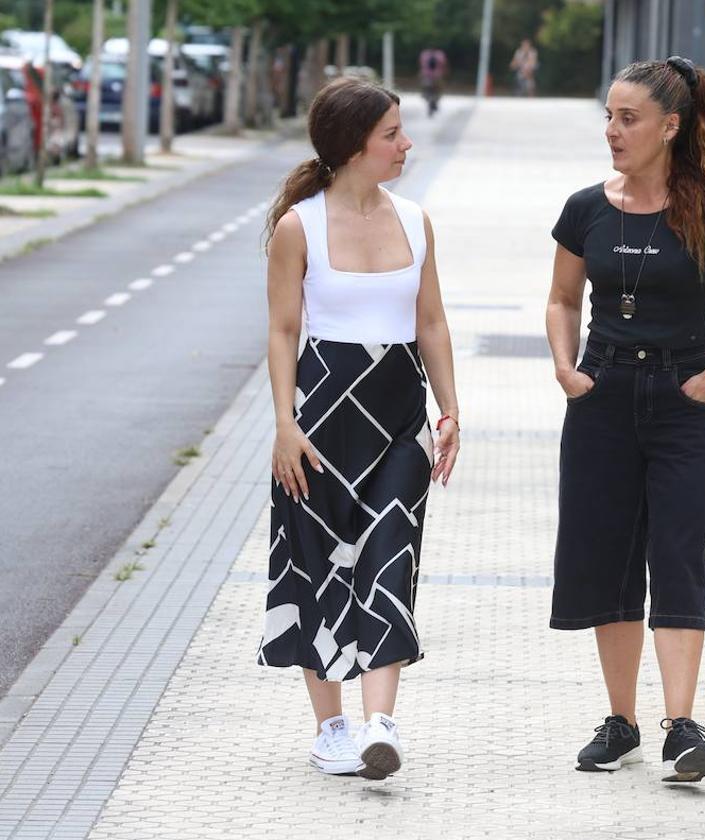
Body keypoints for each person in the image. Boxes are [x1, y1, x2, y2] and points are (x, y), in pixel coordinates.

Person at [545, 56, 705, 784]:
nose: (613, 131)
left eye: (629, 118)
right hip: (604, 395)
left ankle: (683, 726)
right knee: (608, 556)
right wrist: (566, 369)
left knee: (679, 551)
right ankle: (622, 722)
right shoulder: (587, 207)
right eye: (610, 117)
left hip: (684, 402)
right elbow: (561, 299)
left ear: (670, 126)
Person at [257, 77, 461, 780]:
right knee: (318, 566)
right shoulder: (299, 227)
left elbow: (430, 321)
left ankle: (381, 724)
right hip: (320, 421)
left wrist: (449, 407)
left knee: (388, 561)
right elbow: (284, 332)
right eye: (392, 135)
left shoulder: (415, 219)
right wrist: (284, 425)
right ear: (352, 147)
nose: (406, 145)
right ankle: (332, 728)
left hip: (398, 417)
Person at [418, 47, 447, 116]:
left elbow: (420, 63)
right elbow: (443, 64)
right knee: (439, 88)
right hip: (437, 75)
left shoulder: (425, 54)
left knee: (424, 86)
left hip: (426, 75)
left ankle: (424, 95)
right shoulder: (440, 55)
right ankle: (434, 100)